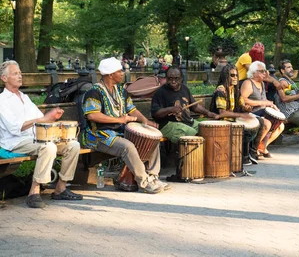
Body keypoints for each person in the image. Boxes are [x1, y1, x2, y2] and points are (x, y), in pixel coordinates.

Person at [0, 61, 83, 208]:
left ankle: (60, 188)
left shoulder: (25, 98)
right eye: (15, 74)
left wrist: (52, 116)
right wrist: (42, 119)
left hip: (36, 139)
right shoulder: (2, 101)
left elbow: (41, 119)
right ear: (4, 78)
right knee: (48, 147)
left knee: (73, 145)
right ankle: (34, 191)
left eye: (20, 73)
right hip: (14, 142)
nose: (19, 76)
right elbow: (14, 128)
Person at [82, 57, 166, 194]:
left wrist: (145, 121)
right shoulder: (94, 92)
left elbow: (132, 109)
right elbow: (92, 115)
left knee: (152, 140)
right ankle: (144, 182)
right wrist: (120, 120)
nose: (122, 73)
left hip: (120, 132)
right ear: (110, 74)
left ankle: (153, 177)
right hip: (99, 135)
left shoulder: (121, 91)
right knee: (128, 147)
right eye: (119, 71)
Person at [151, 67, 219, 144]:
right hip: (167, 125)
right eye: (170, 78)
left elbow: (194, 106)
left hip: (187, 121)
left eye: (176, 78)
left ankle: (208, 155)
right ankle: (190, 155)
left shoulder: (184, 88)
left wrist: (207, 113)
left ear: (181, 78)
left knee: (206, 129)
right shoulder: (160, 92)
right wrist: (171, 109)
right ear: (166, 78)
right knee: (192, 133)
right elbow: (156, 113)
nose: (173, 81)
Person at [210, 64, 260, 165]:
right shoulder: (221, 90)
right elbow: (222, 113)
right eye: (232, 75)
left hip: (232, 119)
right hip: (221, 121)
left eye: (236, 75)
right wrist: (241, 115)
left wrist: (247, 108)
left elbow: (242, 106)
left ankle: (248, 153)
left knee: (260, 122)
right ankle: (242, 156)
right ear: (225, 76)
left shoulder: (236, 90)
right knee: (244, 129)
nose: (235, 78)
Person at [240, 61, 283, 158]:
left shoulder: (262, 84)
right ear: (254, 72)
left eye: (265, 71)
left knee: (281, 126)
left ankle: (262, 146)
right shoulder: (248, 83)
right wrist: (263, 103)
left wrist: (271, 104)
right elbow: (243, 100)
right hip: (251, 113)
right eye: (262, 71)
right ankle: (253, 150)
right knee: (267, 123)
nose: (265, 73)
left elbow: (264, 100)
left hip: (262, 112)